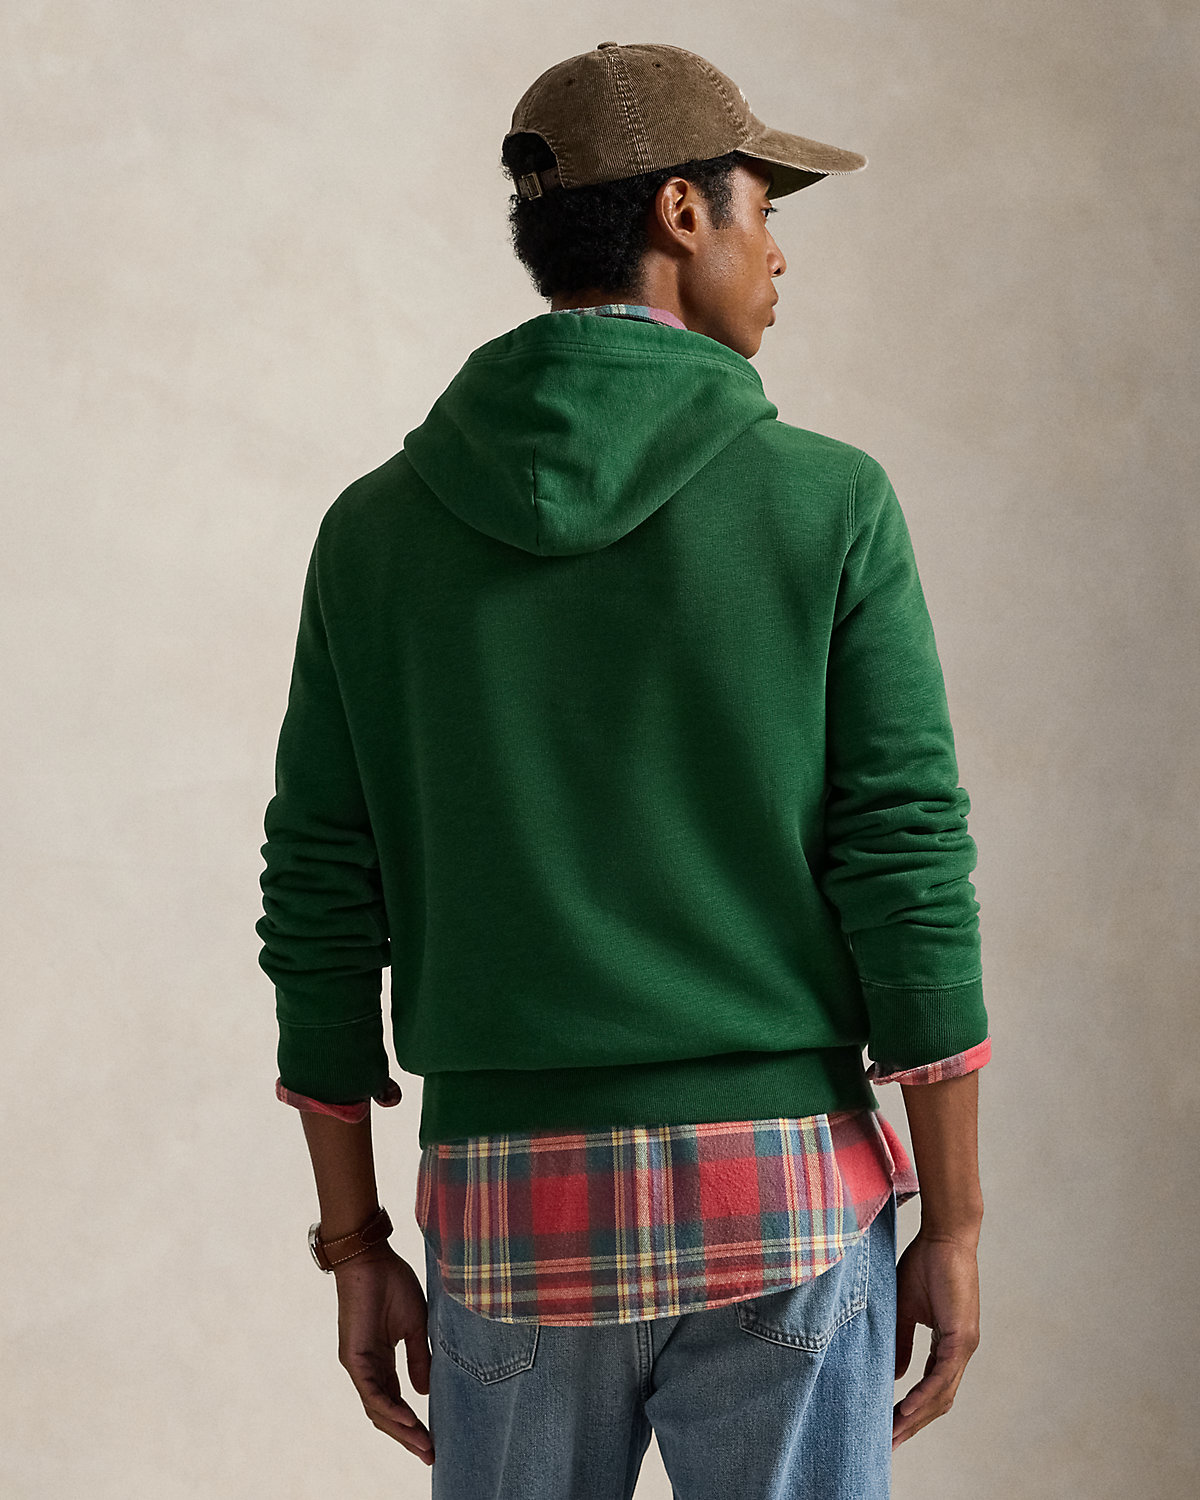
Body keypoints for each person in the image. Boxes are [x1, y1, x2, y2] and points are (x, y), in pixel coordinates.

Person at [256, 40, 990, 1499]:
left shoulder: (374, 531)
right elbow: (905, 862)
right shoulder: (830, 502)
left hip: (509, 1213)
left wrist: (355, 1242)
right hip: (784, 1200)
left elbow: (322, 894)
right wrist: (955, 1224)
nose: (779, 252)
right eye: (762, 207)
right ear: (679, 211)